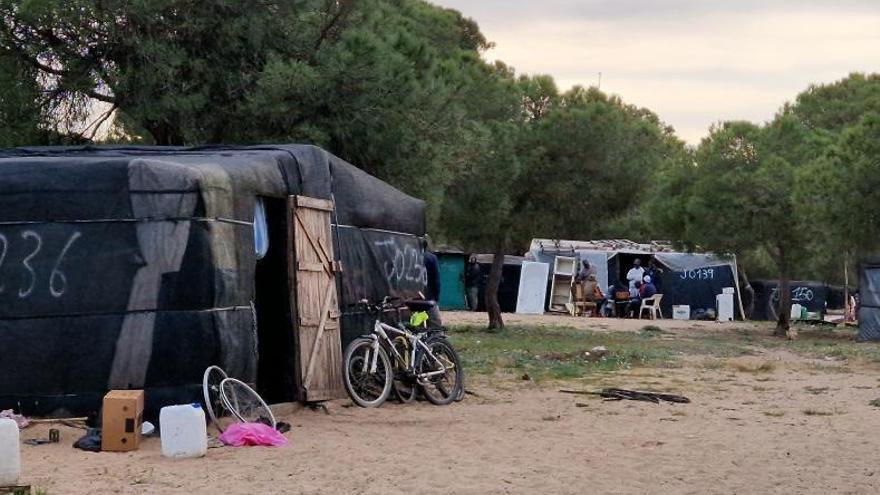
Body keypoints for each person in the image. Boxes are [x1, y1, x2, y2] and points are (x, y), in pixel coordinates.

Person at [423, 240, 442, 327]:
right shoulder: (431, 258)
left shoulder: (407, 255)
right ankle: (436, 339)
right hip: (429, 297)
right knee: (435, 325)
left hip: (411, 297)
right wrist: (436, 298)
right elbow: (436, 279)